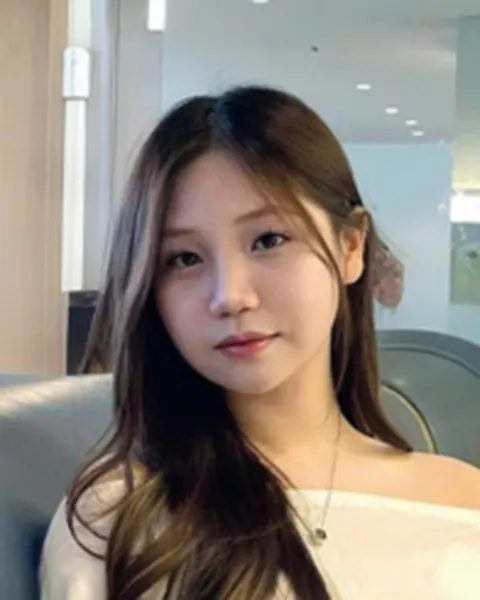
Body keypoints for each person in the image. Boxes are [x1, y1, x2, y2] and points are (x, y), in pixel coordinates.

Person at [40, 86, 480, 600]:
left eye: (269, 239)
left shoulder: (461, 502)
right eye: (184, 258)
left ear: (351, 247)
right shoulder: (116, 522)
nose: (229, 296)